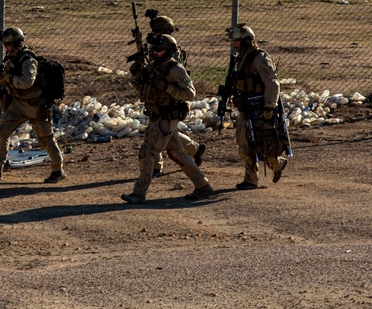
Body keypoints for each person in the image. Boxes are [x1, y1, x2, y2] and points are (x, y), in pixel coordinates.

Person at [121, 20, 214, 204]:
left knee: (147, 152)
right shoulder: (152, 67)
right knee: (178, 153)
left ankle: (139, 194)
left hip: (167, 116)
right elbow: (141, 88)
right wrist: (135, 75)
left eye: (160, 50)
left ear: (169, 51)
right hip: (156, 115)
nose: (155, 53)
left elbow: (190, 94)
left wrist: (167, 87)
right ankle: (203, 186)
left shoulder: (175, 70)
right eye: (154, 50)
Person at [0, 27, 65, 183]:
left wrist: (10, 78)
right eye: (5, 44)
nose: (6, 48)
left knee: (46, 139)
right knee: (2, 130)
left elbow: (26, 82)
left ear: (17, 43)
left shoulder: (28, 60)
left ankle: (58, 170)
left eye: (9, 44)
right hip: (19, 104)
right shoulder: (12, 58)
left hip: (36, 106)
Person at [225, 23, 289, 189]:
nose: (235, 45)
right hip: (246, 107)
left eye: (238, 41)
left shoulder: (260, 58)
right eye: (234, 42)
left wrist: (269, 108)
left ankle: (276, 164)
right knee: (243, 143)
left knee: (262, 143)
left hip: (260, 107)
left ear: (247, 41)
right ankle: (251, 178)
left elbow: (273, 84)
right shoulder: (242, 58)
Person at [143, 15, 206, 177]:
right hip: (159, 96)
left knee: (158, 133)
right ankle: (195, 149)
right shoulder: (156, 46)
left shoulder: (172, 49)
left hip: (173, 97)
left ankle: (157, 167)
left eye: (158, 32)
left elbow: (174, 73)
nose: (156, 35)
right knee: (165, 133)